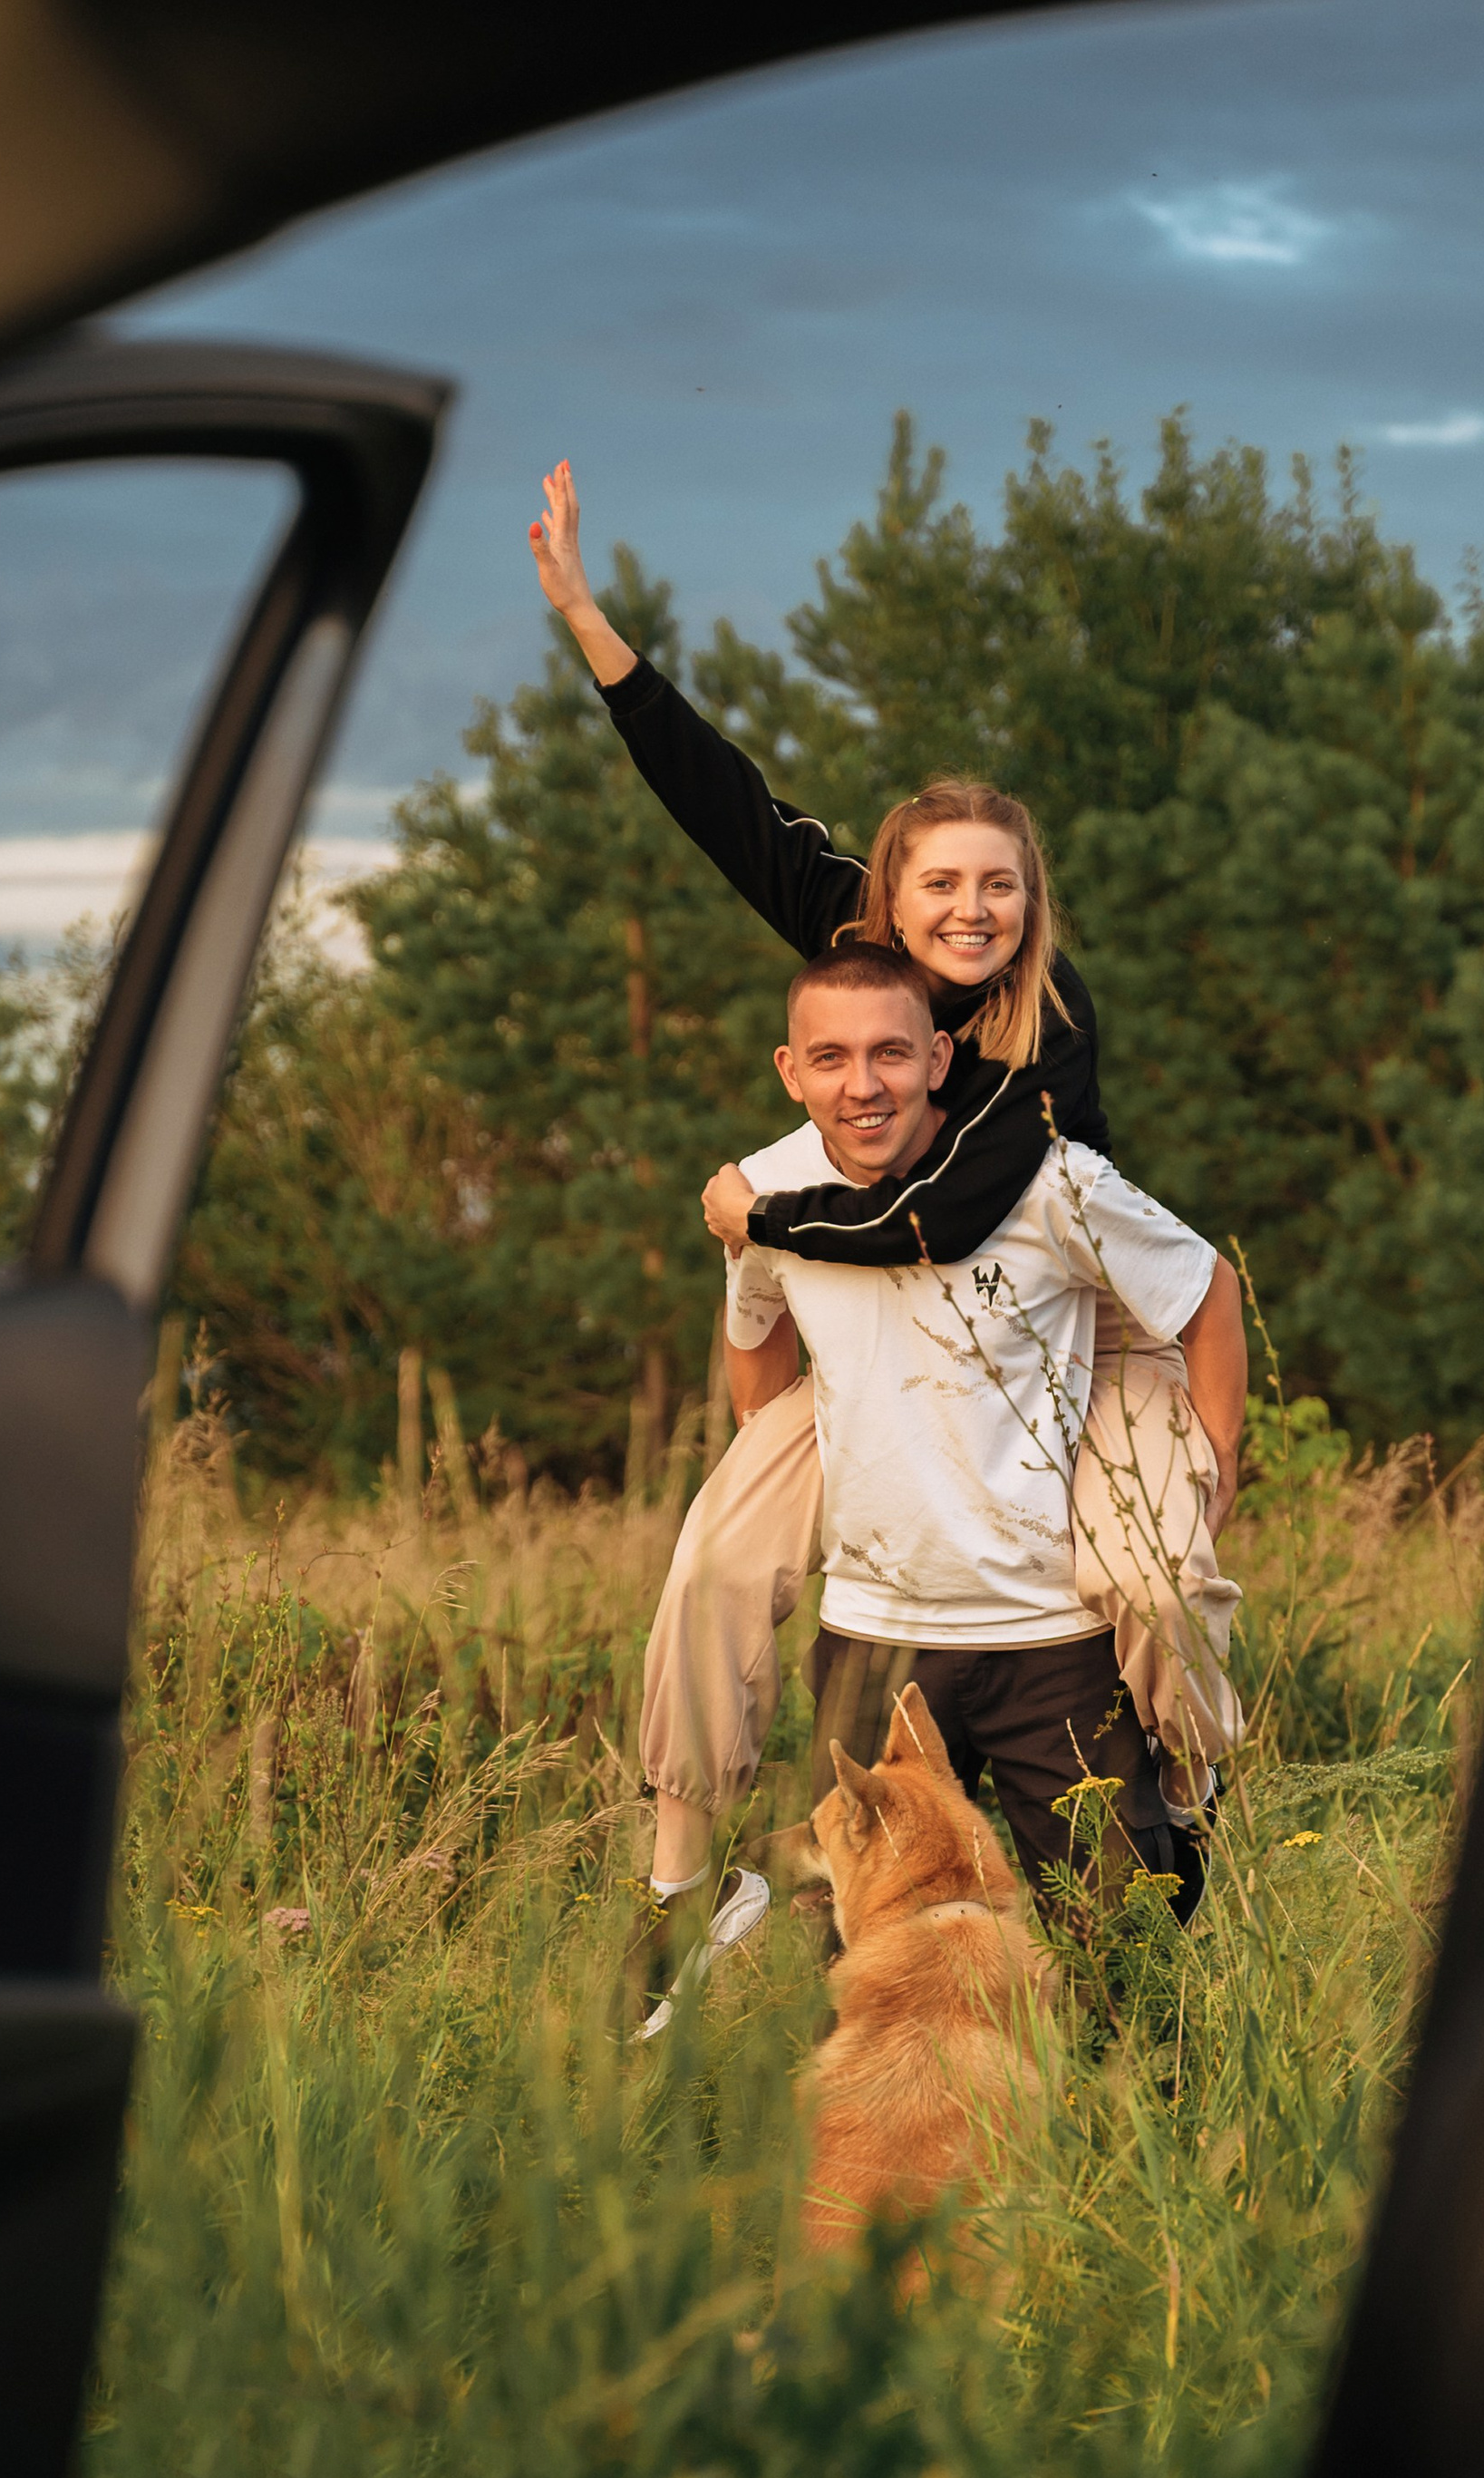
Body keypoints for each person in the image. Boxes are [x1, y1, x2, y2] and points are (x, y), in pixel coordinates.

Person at [526, 466, 1240, 2000]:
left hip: (1066, 1321)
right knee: (715, 1560)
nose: (969, 911)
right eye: (940, 886)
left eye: (999, 888)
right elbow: (722, 801)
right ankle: (680, 1880)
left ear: (1030, 903)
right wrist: (589, 620)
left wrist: (762, 1210)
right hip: (870, 1304)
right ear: (890, 902)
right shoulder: (861, 946)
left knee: (1151, 1573)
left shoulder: (1042, 1029)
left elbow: (947, 1216)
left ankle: (1184, 1793)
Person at [721, 941, 1244, 1923]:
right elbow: (754, 1336)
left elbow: (1202, 1283)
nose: (863, 1085)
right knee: (871, 1952)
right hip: (874, 1637)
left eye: (890, 1052)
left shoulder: (1051, 1182)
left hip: (1054, 1637)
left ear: (938, 1058)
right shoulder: (764, 1193)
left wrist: (1216, 1458)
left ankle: (1189, 1798)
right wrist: (778, 1442)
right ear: (790, 1071)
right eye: (830, 1057)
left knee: (1120, 1943)